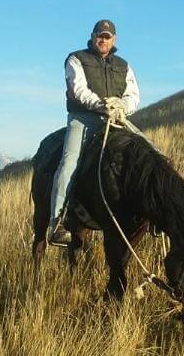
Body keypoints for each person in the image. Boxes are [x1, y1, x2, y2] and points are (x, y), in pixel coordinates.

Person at [47, 19, 140, 246]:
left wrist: (122, 106)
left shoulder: (124, 65)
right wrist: (101, 105)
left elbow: (133, 93)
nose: (103, 40)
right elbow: (78, 89)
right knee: (69, 163)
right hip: (84, 118)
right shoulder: (76, 58)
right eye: (100, 35)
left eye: (108, 36)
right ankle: (57, 222)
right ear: (92, 35)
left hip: (116, 117)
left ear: (114, 40)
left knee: (148, 153)